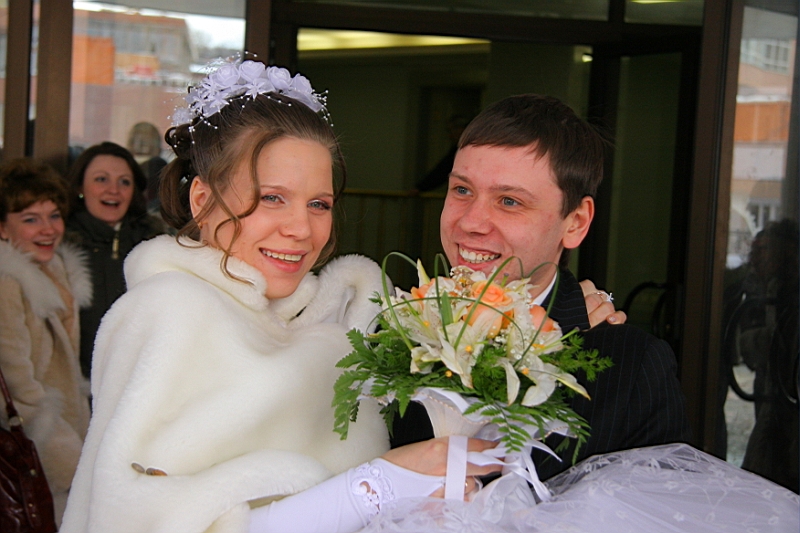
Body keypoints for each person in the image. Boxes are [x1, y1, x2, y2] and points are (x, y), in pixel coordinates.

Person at [59, 61, 499, 533]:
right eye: (272, 198)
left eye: (319, 204)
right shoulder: (169, 312)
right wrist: (374, 485)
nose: (301, 229)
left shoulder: (335, 324)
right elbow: (135, 519)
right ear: (202, 200)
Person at [392, 94, 692, 479]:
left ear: (576, 223)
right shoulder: (394, 329)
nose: (470, 222)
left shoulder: (633, 367)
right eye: (462, 190)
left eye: (509, 201)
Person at [0, 158, 92, 524]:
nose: (48, 229)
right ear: (3, 227)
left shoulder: (54, 270)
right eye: (30, 219)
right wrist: (69, 457)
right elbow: (16, 388)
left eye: (54, 216)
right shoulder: (8, 283)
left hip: (63, 441)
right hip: (38, 454)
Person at [64, 142, 166, 379]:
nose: (114, 190)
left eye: (124, 182)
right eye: (101, 179)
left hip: (138, 384)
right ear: (80, 187)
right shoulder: (58, 247)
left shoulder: (154, 248)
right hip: (75, 387)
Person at [127, 121, 168, 212]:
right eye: (137, 139)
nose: (141, 143)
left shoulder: (157, 165)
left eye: (146, 139)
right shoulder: (124, 166)